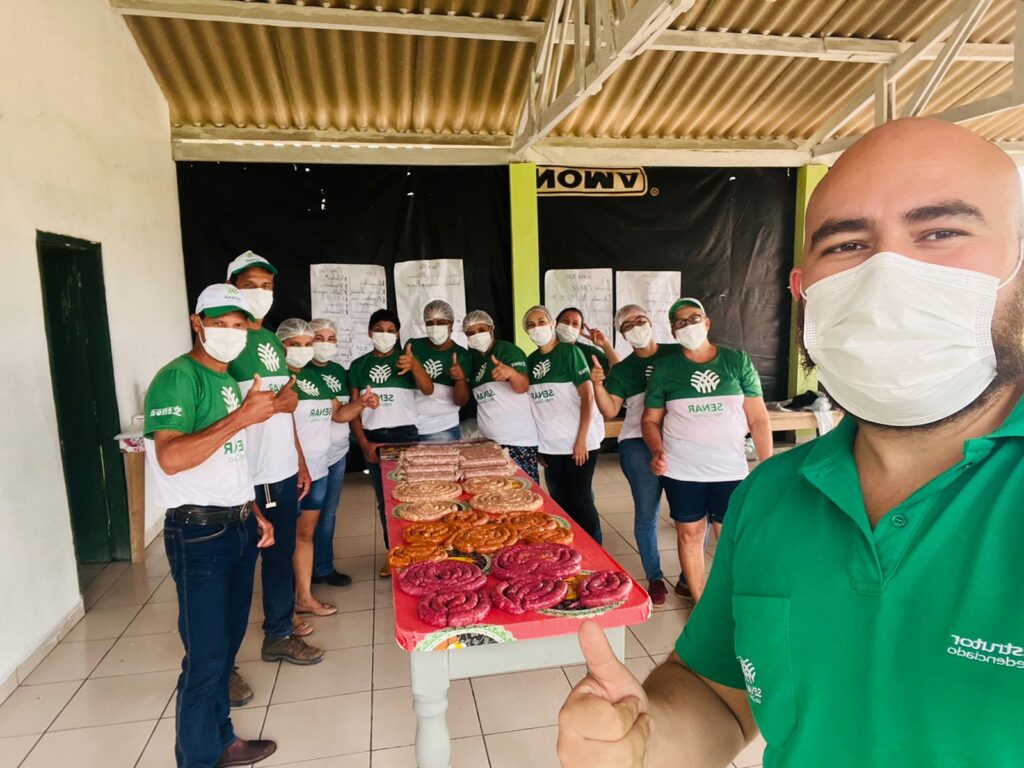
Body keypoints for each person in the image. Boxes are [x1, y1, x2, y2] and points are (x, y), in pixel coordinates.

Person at [557, 117, 1024, 767]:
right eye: (847, 244)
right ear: (804, 292)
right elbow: (719, 696)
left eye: (941, 232)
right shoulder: (772, 494)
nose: (887, 273)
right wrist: (648, 743)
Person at [145, 284, 277, 767]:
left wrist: (252, 510)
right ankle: (197, 758)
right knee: (205, 658)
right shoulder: (178, 378)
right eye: (220, 323)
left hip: (236, 526)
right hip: (198, 533)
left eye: (239, 325)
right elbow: (172, 456)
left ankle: (222, 739)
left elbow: (228, 459)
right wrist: (242, 417)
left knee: (226, 645)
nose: (231, 333)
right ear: (197, 323)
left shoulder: (226, 379)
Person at [225, 251, 323, 668]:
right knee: (240, 567)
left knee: (280, 555)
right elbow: (229, 411)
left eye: (266, 286)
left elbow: (286, 407)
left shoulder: (268, 340)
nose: (260, 293)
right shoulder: (226, 343)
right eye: (250, 285)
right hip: (251, 471)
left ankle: (279, 633)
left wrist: (298, 459)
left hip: (281, 467)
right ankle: (223, 664)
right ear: (231, 289)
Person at [641, 297, 772, 605]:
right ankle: (700, 604)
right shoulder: (665, 368)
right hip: (682, 470)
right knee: (690, 534)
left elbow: (759, 418)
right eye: (680, 322)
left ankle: (731, 601)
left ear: (707, 322)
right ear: (673, 331)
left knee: (729, 537)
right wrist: (657, 450)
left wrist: (767, 466)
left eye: (693, 318)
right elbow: (649, 420)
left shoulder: (736, 361)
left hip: (730, 469)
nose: (688, 325)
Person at [276, 319, 379, 624]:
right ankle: (283, 605)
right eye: (296, 345)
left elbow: (338, 415)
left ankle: (304, 596)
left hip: (318, 468)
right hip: (289, 471)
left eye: (308, 344)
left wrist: (361, 404)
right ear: (280, 347)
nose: (305, 350)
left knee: (306, 533)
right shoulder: (278, 379)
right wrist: (300, 464)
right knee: (284, 538)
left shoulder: (315, 376)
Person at [590, 304, 678, 605]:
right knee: (647, 512)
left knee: (688, 514)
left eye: (640, 320)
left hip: (679, 443)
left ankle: (687, 577)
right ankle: (655, 576)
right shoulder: (623, 369)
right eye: (628, 325)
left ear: (650, 322)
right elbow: (610, 409)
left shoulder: (676, 354)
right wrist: (597, 384)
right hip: (637, 445)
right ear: (623, 334)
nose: (636, 327)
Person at [349, 308, 433, 575]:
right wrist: (364, 444)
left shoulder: (406, 360)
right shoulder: (358, 365)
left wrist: (415, 366)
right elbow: (353, 410)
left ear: (397, 334)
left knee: (413, 499)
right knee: (385, 501)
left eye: (390, 331)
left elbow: (428, 389)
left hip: (405, 436)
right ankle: (393, 553)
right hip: (374, 440)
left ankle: (418, 553)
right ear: (369, 332)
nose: (384, 335)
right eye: (379, 330)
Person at [523, 305, 604, 542]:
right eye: (530, 325)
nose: (536, 328)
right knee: (560, 502)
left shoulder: (569, 352)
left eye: (541, 321)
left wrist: (581, 440)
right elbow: (537, 407)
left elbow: (587, 396)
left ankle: (595, 548)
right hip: (550, 446)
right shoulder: (531, 361)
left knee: (581, 500)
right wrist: (541, 447)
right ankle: (570, 547)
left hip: (578, 443)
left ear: (551, 323)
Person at [463, 310, 540, 482]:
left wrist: (511, 373)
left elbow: (523, 386)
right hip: (490, 443)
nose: (476, 336)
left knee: (522, 491)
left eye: (481, 330)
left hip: (517, 441)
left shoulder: (506, 350)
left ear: (491, 328)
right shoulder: (475, 361)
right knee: (497, 492)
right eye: (471, 333)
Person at [308, 318, 355, 586]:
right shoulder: (301, 371)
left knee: (328, 513)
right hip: (310, 458)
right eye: (319, 338)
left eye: (331, 339)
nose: (325, 344)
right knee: (306, 518)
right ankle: (300, 573)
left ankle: (323, 567)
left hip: (337, 454)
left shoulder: (338, 370)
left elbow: (343, 411)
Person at [409, 300, 473, 442]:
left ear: (451, 324)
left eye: (440, 322)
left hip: (443, 428)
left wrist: (460, 379)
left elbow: (461, 401)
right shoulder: (413, 346)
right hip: (408, 427)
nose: (435, 327)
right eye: (430, 323)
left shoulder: (462, 355)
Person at [555, 306, 621, 371]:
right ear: (556, 324)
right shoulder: (548, 349)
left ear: (580, 331)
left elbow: (618, 369)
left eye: (575, 324)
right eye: (565, 321)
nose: (569, 326)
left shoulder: (588, 352)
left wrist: (605, 344)